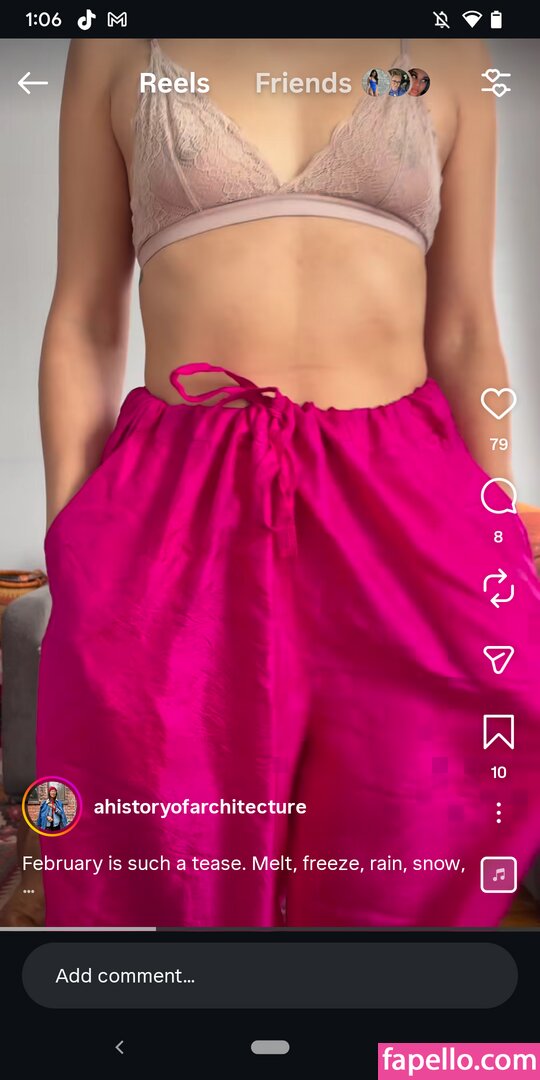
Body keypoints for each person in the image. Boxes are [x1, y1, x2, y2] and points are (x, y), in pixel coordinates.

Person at [36, 37, 540, 928]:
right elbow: (84, 316)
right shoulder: (116, 43)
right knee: (166, 843)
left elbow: (465, 328)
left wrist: (499, 525)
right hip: (178, 491)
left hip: (403, 488)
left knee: (411, 826)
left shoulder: (450, 48)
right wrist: (72, 540)